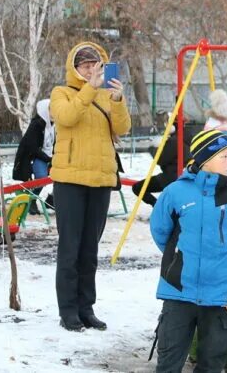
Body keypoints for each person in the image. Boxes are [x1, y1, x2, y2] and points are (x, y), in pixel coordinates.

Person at [150, 128, 227, 373]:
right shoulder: (175, 192)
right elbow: (160, 231)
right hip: (179, 289)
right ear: (204, 159)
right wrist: (178, 257)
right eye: (224, 156)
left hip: (222, 292)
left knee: (213, 361)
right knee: (169, 359)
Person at [50, 42, 131, 331]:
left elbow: (122, 129)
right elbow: (67, 117)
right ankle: (68, 311)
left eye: (94, 64)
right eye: (84, 65)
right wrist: (89, 88)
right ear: (74, 67)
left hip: (100, 180)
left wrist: (118, 99)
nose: (89, 69)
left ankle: (87, 308)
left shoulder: (106, 95)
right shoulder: (61, 93)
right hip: (70, 180)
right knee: (70, 249)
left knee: (89, 251)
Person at [130, 124, 190, 207]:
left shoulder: (174, 141)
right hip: (183, 176)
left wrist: (153, 147)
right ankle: (160, 207)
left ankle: (157, 206)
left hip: (170, 177)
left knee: (137, 188)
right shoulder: (185, 139)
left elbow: (160, 159)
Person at [12, 98, 55, 214]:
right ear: (45, 110)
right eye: (52, 109)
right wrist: (48, 159)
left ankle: (52, 199)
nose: (55, 112)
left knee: (62, 176)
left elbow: (54, 142)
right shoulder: (36, 125)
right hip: (37, 157)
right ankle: (32, 199)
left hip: (50, 156)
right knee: (41, 179)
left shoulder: (53, 125)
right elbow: (33, 148)